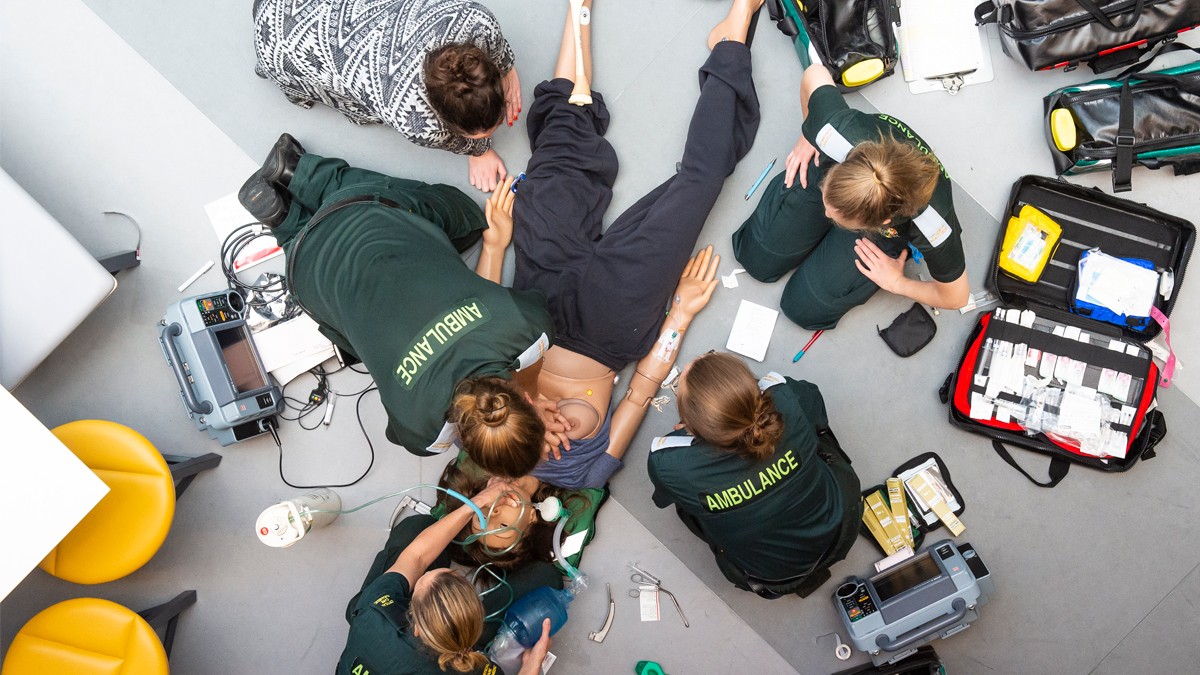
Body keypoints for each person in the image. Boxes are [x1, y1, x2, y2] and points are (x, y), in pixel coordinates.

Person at [454, 0, 762, 490]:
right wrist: (679, 315)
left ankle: (579, 11)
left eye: (485, 512)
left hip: (539, 304)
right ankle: (734, 35)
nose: (497, 507)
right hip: (615, 323)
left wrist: (494, 247)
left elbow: (483, 338)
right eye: (505, 528)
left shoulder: (480, 441)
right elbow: (639, 394)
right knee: (700, 185)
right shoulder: (583, 474)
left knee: (555, 150)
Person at [237, 133, 567, 477]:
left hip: (361, 213)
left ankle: (299, 172)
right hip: (305, 276)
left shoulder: (526, 329)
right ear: (466, 443)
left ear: (525, 403)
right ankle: (284, 221)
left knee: (465, 215)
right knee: (351, 336)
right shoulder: (421, 434)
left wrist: (532, 399)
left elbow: (501, 324)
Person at [732, 63, 971, 330]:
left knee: (802, 308)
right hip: (844, 170)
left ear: (880, 222)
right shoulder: (838, 135)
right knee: (756, 259)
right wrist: (810, 136)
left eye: (834, 215)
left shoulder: (932, 223)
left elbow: (957, 296)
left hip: (889, 231)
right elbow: (815, 74)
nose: (825, 214)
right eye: (827, 204)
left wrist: (897, 283)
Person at [646, 352, 862, 598]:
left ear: (691, 424)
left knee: (690, 506)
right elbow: (817, 413)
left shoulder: (669, 463)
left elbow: (664, 498)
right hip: (842, 528)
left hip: (771, 578)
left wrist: (691, 439)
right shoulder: (787, 398)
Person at [252, 0, 522, 191]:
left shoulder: (477, 20)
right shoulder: (415, 119)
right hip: (279, 40)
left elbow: (496, 51)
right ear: (443, 119)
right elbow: (454, 140)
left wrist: (508, 72)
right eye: (479, 133)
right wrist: (480, 152)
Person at [338, 479, 554, 674]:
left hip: (371, 633)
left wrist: (476, 503)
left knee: (417, 528)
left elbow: (418, 556)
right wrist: (531, 666)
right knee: (546, 578)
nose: (493, 512)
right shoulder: (476, 670)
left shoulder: (374, 613)